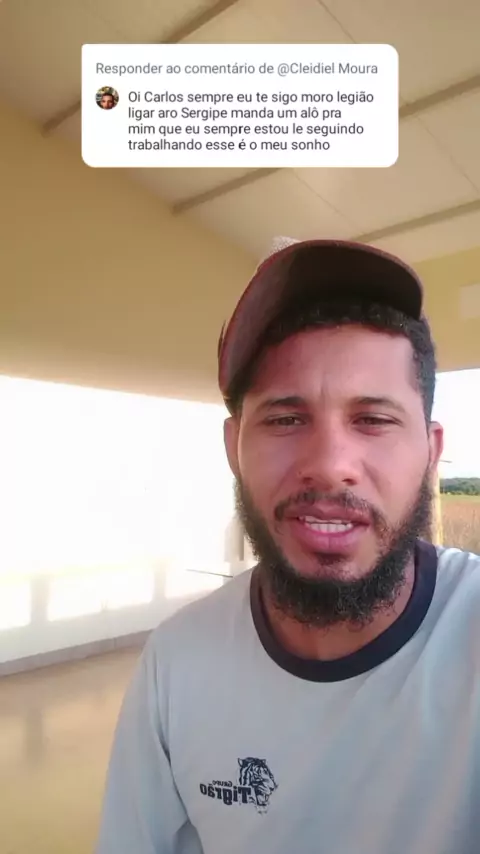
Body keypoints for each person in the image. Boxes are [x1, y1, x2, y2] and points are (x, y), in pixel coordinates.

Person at [95, 237, 480, 854]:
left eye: (373, 419)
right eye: (284, 418)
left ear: (431, 452)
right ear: (234, 447)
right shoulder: (177, 663)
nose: (329, 465)